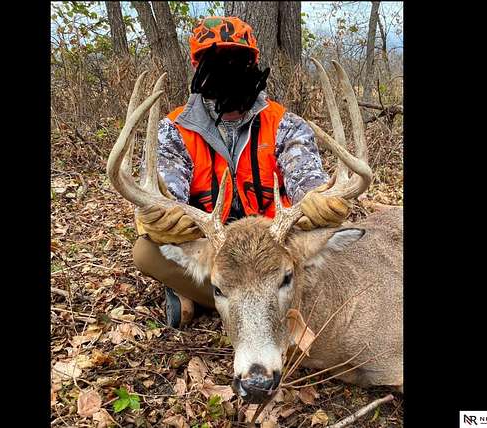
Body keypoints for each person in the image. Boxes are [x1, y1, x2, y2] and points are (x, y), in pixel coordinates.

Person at [132, 16, 351, 328]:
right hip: (214, 247)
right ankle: (262, 305)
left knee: (335, 240)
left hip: (274, 246)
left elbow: (307, 180)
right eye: (217, 60)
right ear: (198, 66)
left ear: (254, 63)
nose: (229, 68)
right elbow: (164, 191)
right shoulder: (174, 130)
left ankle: (210, 296)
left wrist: (320, 201)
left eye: (239, 59)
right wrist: (160, 217)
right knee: (146, 251)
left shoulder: (286, 125)